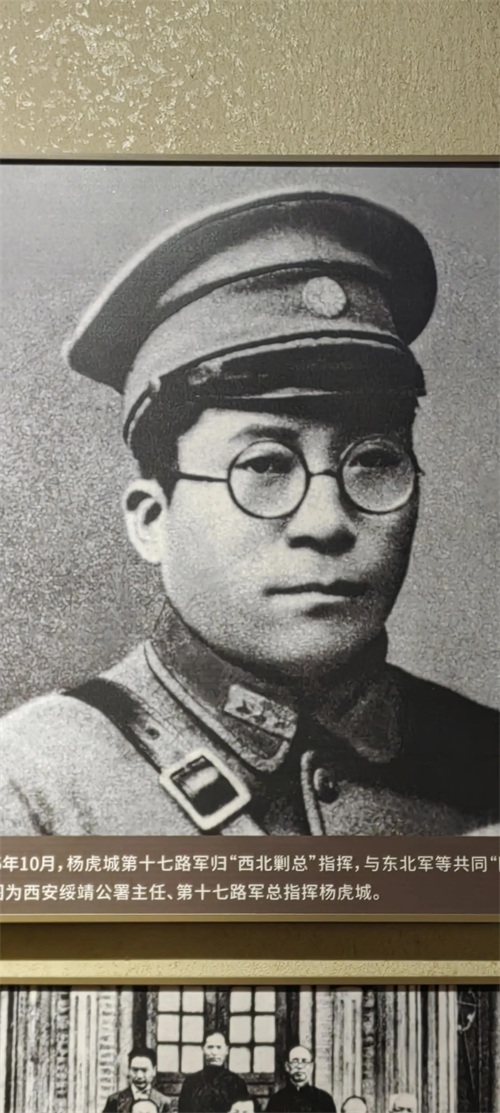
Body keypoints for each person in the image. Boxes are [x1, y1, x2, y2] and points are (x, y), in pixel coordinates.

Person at [1, 189, 498, 837]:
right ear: (151, 518)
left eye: (374, 461)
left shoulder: (484, 759)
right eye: (265, 466)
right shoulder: (36, 785)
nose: (327, 522)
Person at [178, 1031, 249, 1112]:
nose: (214, 1052)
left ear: (226, 1050)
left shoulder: (237, 1083)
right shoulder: (191, 1082)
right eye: (210, 1047)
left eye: (219, 1047)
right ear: (203, 1049)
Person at [265, 1045, 336, 1111]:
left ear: (311, 1067)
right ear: (287, 1066)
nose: (299, 1066)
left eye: (304, 1061)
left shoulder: (324, 1100)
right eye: (295, 1061)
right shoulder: (276, 1101)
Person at [102, 1047, 169, 1112]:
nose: (139, 1076)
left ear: (154, 1071)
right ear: (129, 1070)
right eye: (135, 1070)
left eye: (144, 1070)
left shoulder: (165, 1102)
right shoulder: (114, 1101)